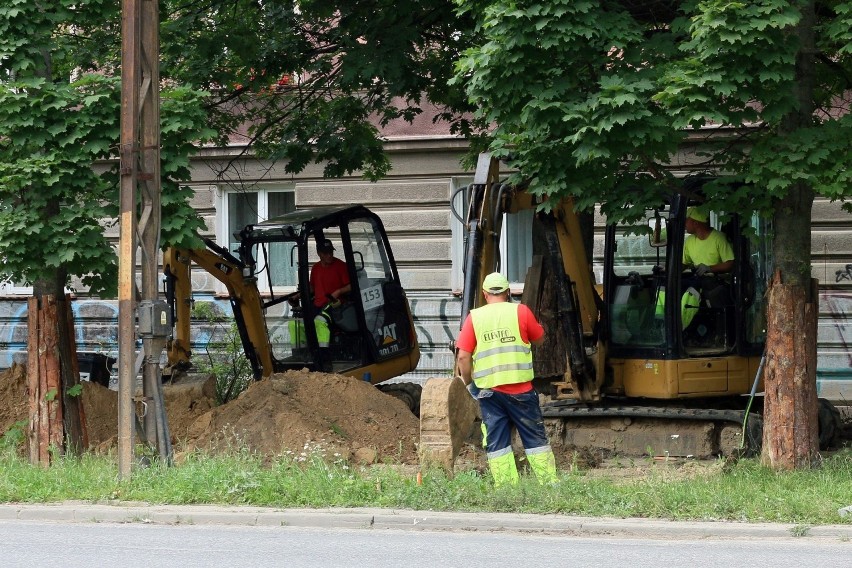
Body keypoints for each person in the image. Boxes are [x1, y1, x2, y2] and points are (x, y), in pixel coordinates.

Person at [455, 272, 558, 487]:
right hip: (522, 392)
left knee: (497, 442)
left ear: (484, 294)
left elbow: (463, 356)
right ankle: (549, 485)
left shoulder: (475, 317)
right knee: (535, 439)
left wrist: (469, 384)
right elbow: (540, 339)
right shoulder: (521, 311)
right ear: (508, 292)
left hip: (489, 393)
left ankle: (507, 487)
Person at [289, 239, 351, 350]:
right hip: (317, 306)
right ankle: (300, 355)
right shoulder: (316, 268)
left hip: (335, 306)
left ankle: (323, 356)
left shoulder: (341, 266)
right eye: (326, 253)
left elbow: (351, 286)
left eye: (331, 252)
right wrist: (299, 295)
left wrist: (338, 292)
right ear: (319, 253)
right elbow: (312, 287)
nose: (329, 255)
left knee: (320, 321)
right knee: (295, 324)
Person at [683, 207, 734, 276]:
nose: (684, 223)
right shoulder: (689, 240)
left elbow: (730, 264)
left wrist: (710, 268)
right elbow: (685, 263)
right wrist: (667, 269)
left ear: (696, 223)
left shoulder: (719, 238)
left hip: (719, 283)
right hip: (699, 282)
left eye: (686, 220)